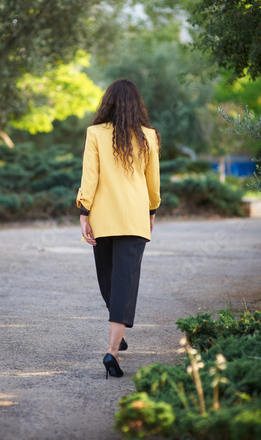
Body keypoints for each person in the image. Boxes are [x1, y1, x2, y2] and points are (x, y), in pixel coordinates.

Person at [76, 78, 161, 379]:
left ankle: (113, 348)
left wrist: (84, 211)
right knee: (122, 283)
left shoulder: (95, 133)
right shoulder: (149, 136)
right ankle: (117, 334)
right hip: (135, 219)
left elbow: (90, 177)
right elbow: (153, 183)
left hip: (104, 219)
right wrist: (152, 210)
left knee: (109, 281)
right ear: (137, 104)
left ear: (107, 103)